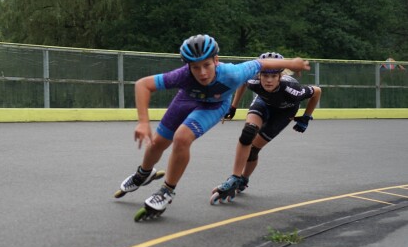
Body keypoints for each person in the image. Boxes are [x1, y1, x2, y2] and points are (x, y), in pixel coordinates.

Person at [115, 35, 311, 218]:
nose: (202, 72)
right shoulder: (182, 76)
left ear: (216, 60)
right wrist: (143, 122)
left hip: (214, 106)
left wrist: (291, 63)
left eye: (206, 65)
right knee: (158, 142)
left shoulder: (233, 73)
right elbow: (143, 85)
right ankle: (143, 173)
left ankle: (166, 191)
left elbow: (262, 63)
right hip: (186, 99)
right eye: (195, 67)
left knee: (182, 138)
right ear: (187, 66)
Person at [210, 52, 322, 204]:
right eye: (265, 76)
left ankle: (244, 179)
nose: (269, 80)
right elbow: (241, 82)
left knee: (254, 149)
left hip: (284, 112)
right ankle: (235, 178)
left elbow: (317, 91)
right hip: (263, 103)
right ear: (259, 75)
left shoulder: (292, 89)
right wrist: (233, 106)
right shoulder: (253, 80)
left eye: (274, 76)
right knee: (248, 133)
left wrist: (306, 117)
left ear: (280, 76)